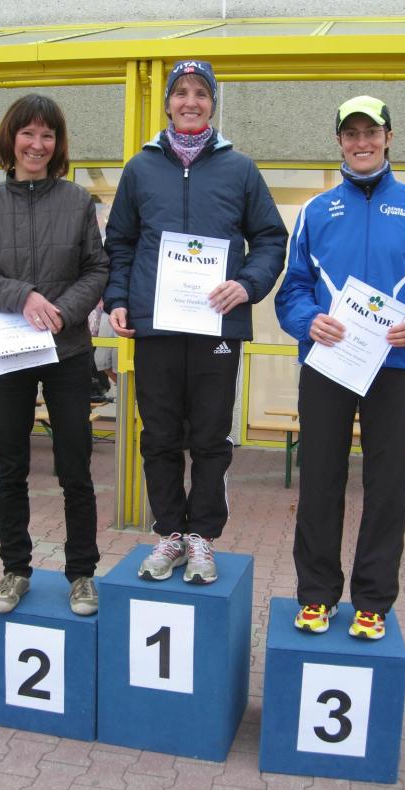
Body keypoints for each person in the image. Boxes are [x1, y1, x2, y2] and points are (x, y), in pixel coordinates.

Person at [275, 95, 405, 640]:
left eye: (371, 132)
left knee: (388, 486)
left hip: (395, 364)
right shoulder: (315, 210)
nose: (362, 142)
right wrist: (307, 320)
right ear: (339, 141)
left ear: (388, 138)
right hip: (329, 363)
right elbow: (293, 289)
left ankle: (373, 602)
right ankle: (316, 596)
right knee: (319, 481)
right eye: (351, 133)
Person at [104, 60, 288, 585]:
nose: (190, 101)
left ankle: (202, 537)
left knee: (210, 437)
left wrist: (247, 284)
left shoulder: (241, 169)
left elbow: (271, 238)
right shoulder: (140, 168)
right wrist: (118, 297)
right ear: (167, 103)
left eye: (201, 93)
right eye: (181, 92)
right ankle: (169, 533)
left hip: (217, 327)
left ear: (212, 104)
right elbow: (120, 241)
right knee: (159, 436)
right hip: (157, 327)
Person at [0, 94, 109, 616]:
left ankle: (82, 573)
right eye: (28, 133)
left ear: (57, 143)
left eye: (48, 135)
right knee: (11, 466)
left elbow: (97, 269)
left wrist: (63, 311)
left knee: (75, 466)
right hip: (9, 351)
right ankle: (15, 569)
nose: (37, 145)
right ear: (12, 139)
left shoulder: (77, 201)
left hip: (67, 351)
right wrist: (23, 296)